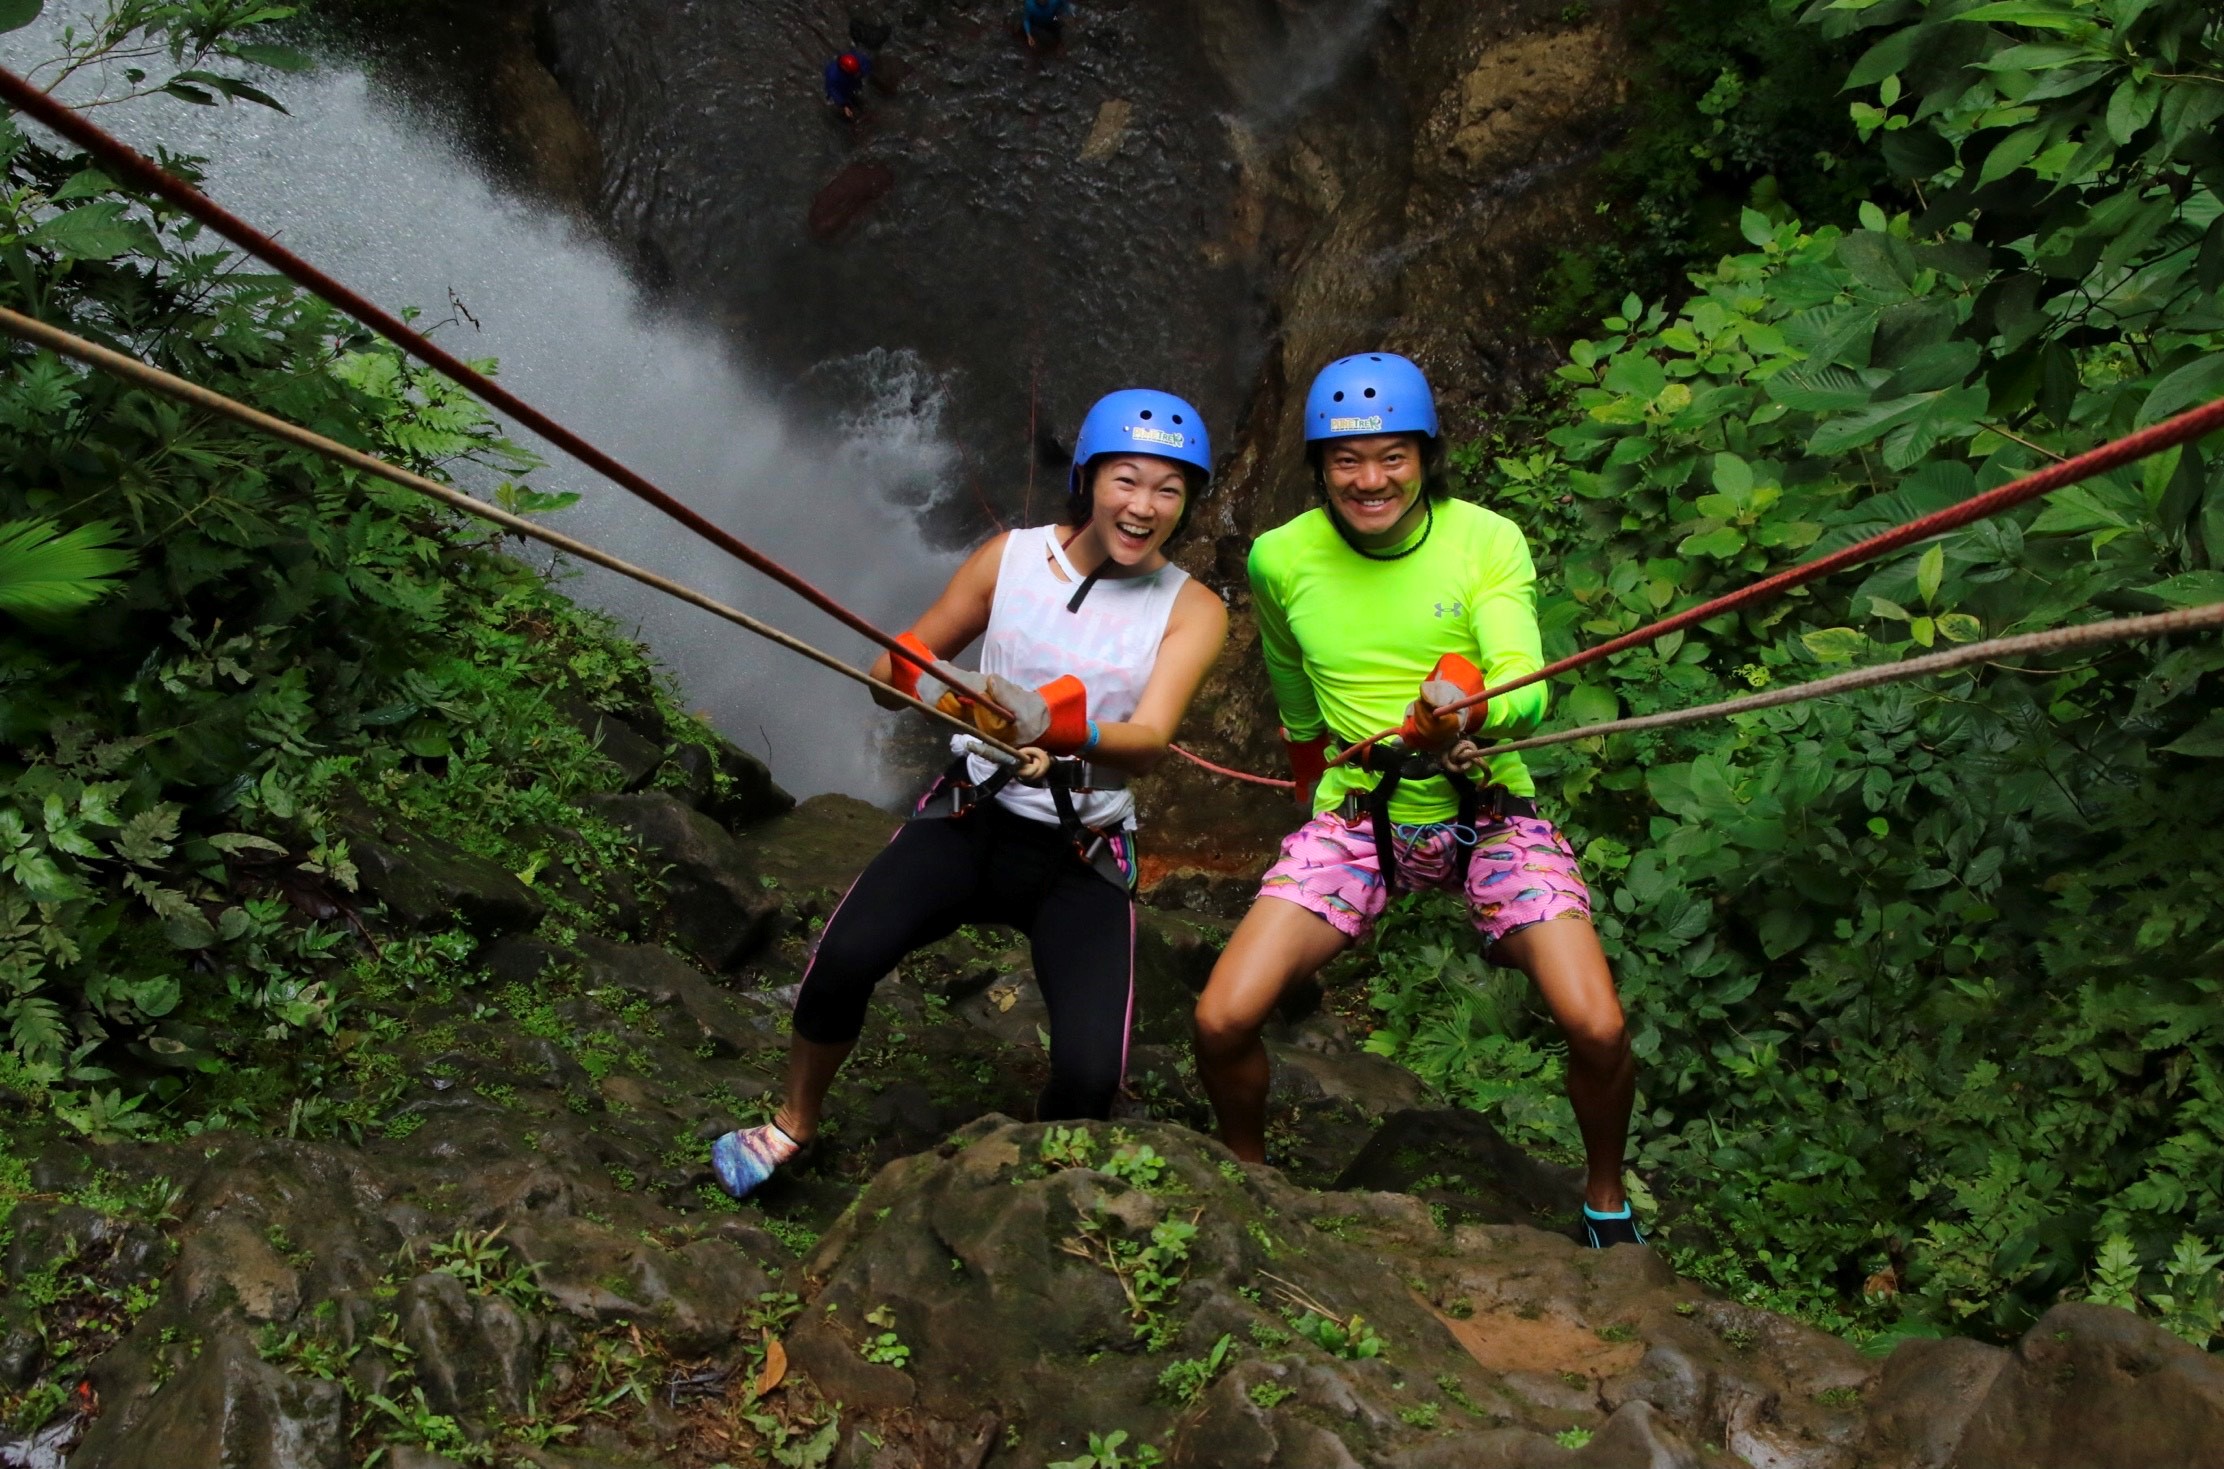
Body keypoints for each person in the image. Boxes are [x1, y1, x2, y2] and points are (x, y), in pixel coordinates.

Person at [712, 389, 1230, 1199]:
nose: (1143, 506)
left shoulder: (1192, 608)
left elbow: (1153, 738)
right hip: (971, 813)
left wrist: (1054, 728)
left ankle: (1029, 1190)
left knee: (1093, 1073)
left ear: (1188, 502)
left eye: (1169, 489)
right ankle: (792, 1122)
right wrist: (949, 690)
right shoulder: (1011, 559)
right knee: (844, 957)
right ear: (1090, 477)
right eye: (1126, 480)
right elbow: (892, 675)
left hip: (1080, 846)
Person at [1191, 353, 1644, 1248]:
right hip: (1360, 815)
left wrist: (1469, 711)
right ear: (1318, 466)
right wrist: (1305, 801)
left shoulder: (1486, 540)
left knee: (1597, 1024)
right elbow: (1292, 693)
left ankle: (1604, 1197)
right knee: (1220, 1017)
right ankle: (1248, 1179)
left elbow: (1527, 679)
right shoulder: (1281, 558)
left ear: (1427, 456)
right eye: (1347, 461)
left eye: (1392, 456)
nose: (1370, 480)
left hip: (1486, 807)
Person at [824, 50, 871, 119]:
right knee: (844, 96)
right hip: (842, 85)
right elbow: (834, 91)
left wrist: (862, 73)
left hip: (852, 80)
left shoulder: (858, 60)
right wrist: (844, 105)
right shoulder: (833, 76)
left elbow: (867, 64)